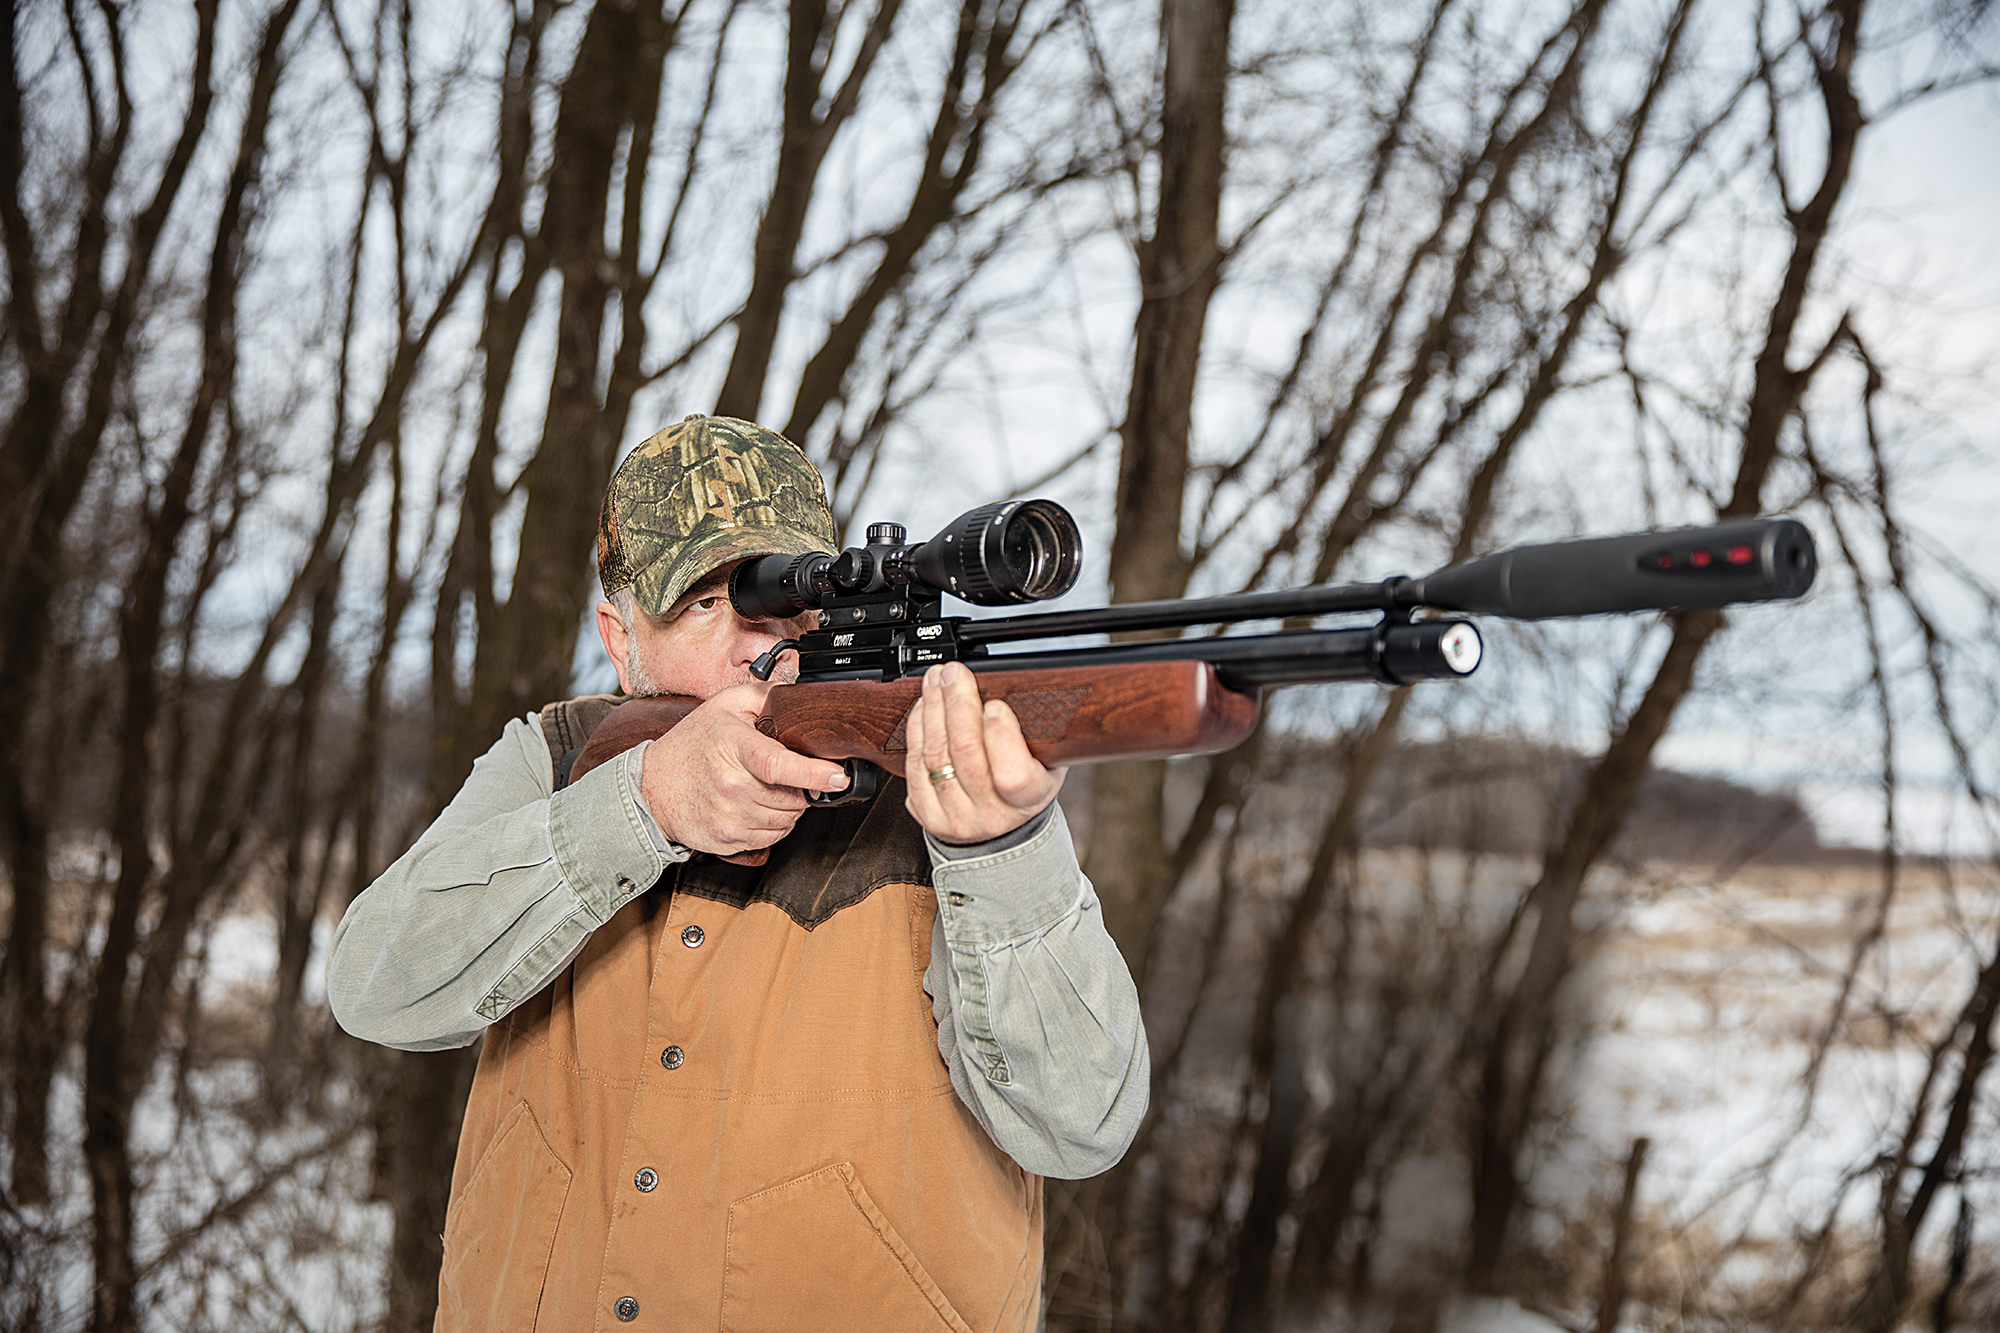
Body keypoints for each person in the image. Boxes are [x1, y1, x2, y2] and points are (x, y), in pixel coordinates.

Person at [328, 415, 1149, 1332]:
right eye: (702, 605)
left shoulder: (943, 787)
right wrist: (640, 810)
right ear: (618, 635)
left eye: (781, 602)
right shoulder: (559, 758)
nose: (753, 646)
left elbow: (1081, 1125)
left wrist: (1002, 852)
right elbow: (374, 987)